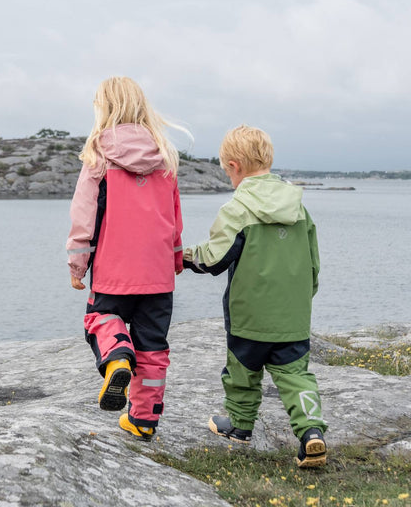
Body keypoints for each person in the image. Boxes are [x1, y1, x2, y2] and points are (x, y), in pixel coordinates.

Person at [183, 125, 327, 467]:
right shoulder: (299, 209)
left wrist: (183, 257)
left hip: (249, 315)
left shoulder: (238, 209)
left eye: (227, 172)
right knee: (296, 376)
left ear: (234, 166)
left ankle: (239, 425)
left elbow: (214, 258)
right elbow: (314, 264)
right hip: (292, 318)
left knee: (242, 372)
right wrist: (303, 300)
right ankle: (311, 432)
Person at [66, 76, 187, 440]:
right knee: (152, 347)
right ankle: (143, 420)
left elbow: (84, 216)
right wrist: (176, 259)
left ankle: (117, 357)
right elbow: (174, 219)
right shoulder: (164, 156)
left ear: (104, 109)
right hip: (158, 276)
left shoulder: (99, 155)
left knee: (99, 319)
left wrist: (77, 264)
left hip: (113, 272)